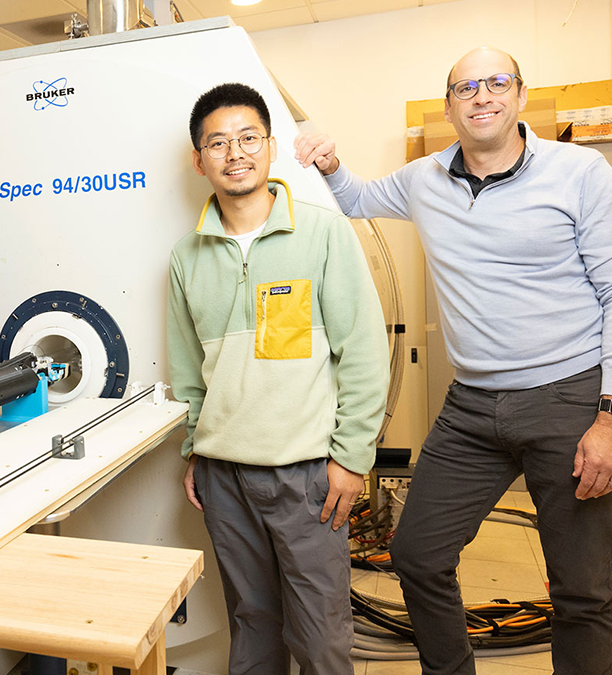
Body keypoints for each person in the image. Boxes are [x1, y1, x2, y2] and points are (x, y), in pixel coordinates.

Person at [294, 47, 612, 675]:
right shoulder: (423, 178)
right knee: (418, 554)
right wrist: (326, 160)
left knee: (582, 589)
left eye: (496, 83)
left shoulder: (581, 172)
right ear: (450, 105)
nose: (482, 96)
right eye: (466, 87)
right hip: (471, 407)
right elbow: (354, 198)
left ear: (519, 95)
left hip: (567, 397)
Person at [168, 82, 389, 674]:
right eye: (218, 143)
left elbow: (365, 351)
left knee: (320, 637)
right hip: (224, 478)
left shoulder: (321, 232)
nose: (234, 153)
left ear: (269, 147)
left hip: (308, 475)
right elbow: (189, 369)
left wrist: (352, 456)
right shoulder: (187, 257)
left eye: (247, 138)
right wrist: (195, 447)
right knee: (252, 623)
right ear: (199, 159)